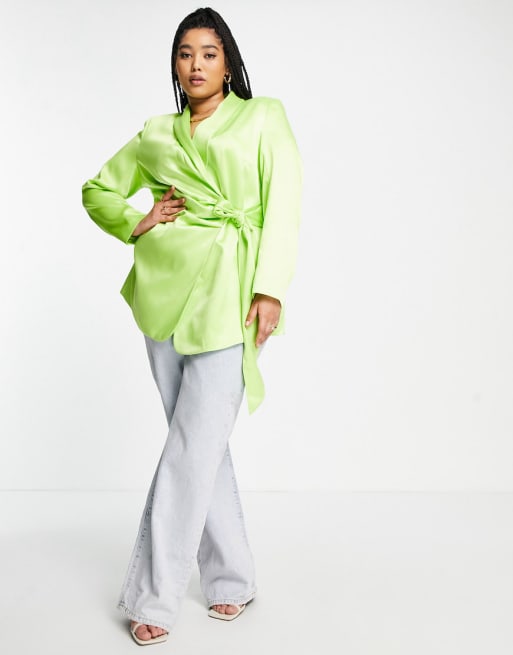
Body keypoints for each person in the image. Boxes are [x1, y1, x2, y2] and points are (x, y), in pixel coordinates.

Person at [82, 6, 302, 646]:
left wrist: (270, 289)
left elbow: (284, 203)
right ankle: (232, 580)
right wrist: (140, 220)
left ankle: (153, 595)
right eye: (185, 54)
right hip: (164, 298)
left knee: (190, 446)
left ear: (227, 62)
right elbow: (97, 189)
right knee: (200, 445)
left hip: (231, 296)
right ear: (175, 66)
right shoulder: (157, 133)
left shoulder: (264, 118)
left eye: (209, 53)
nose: (196, 64)